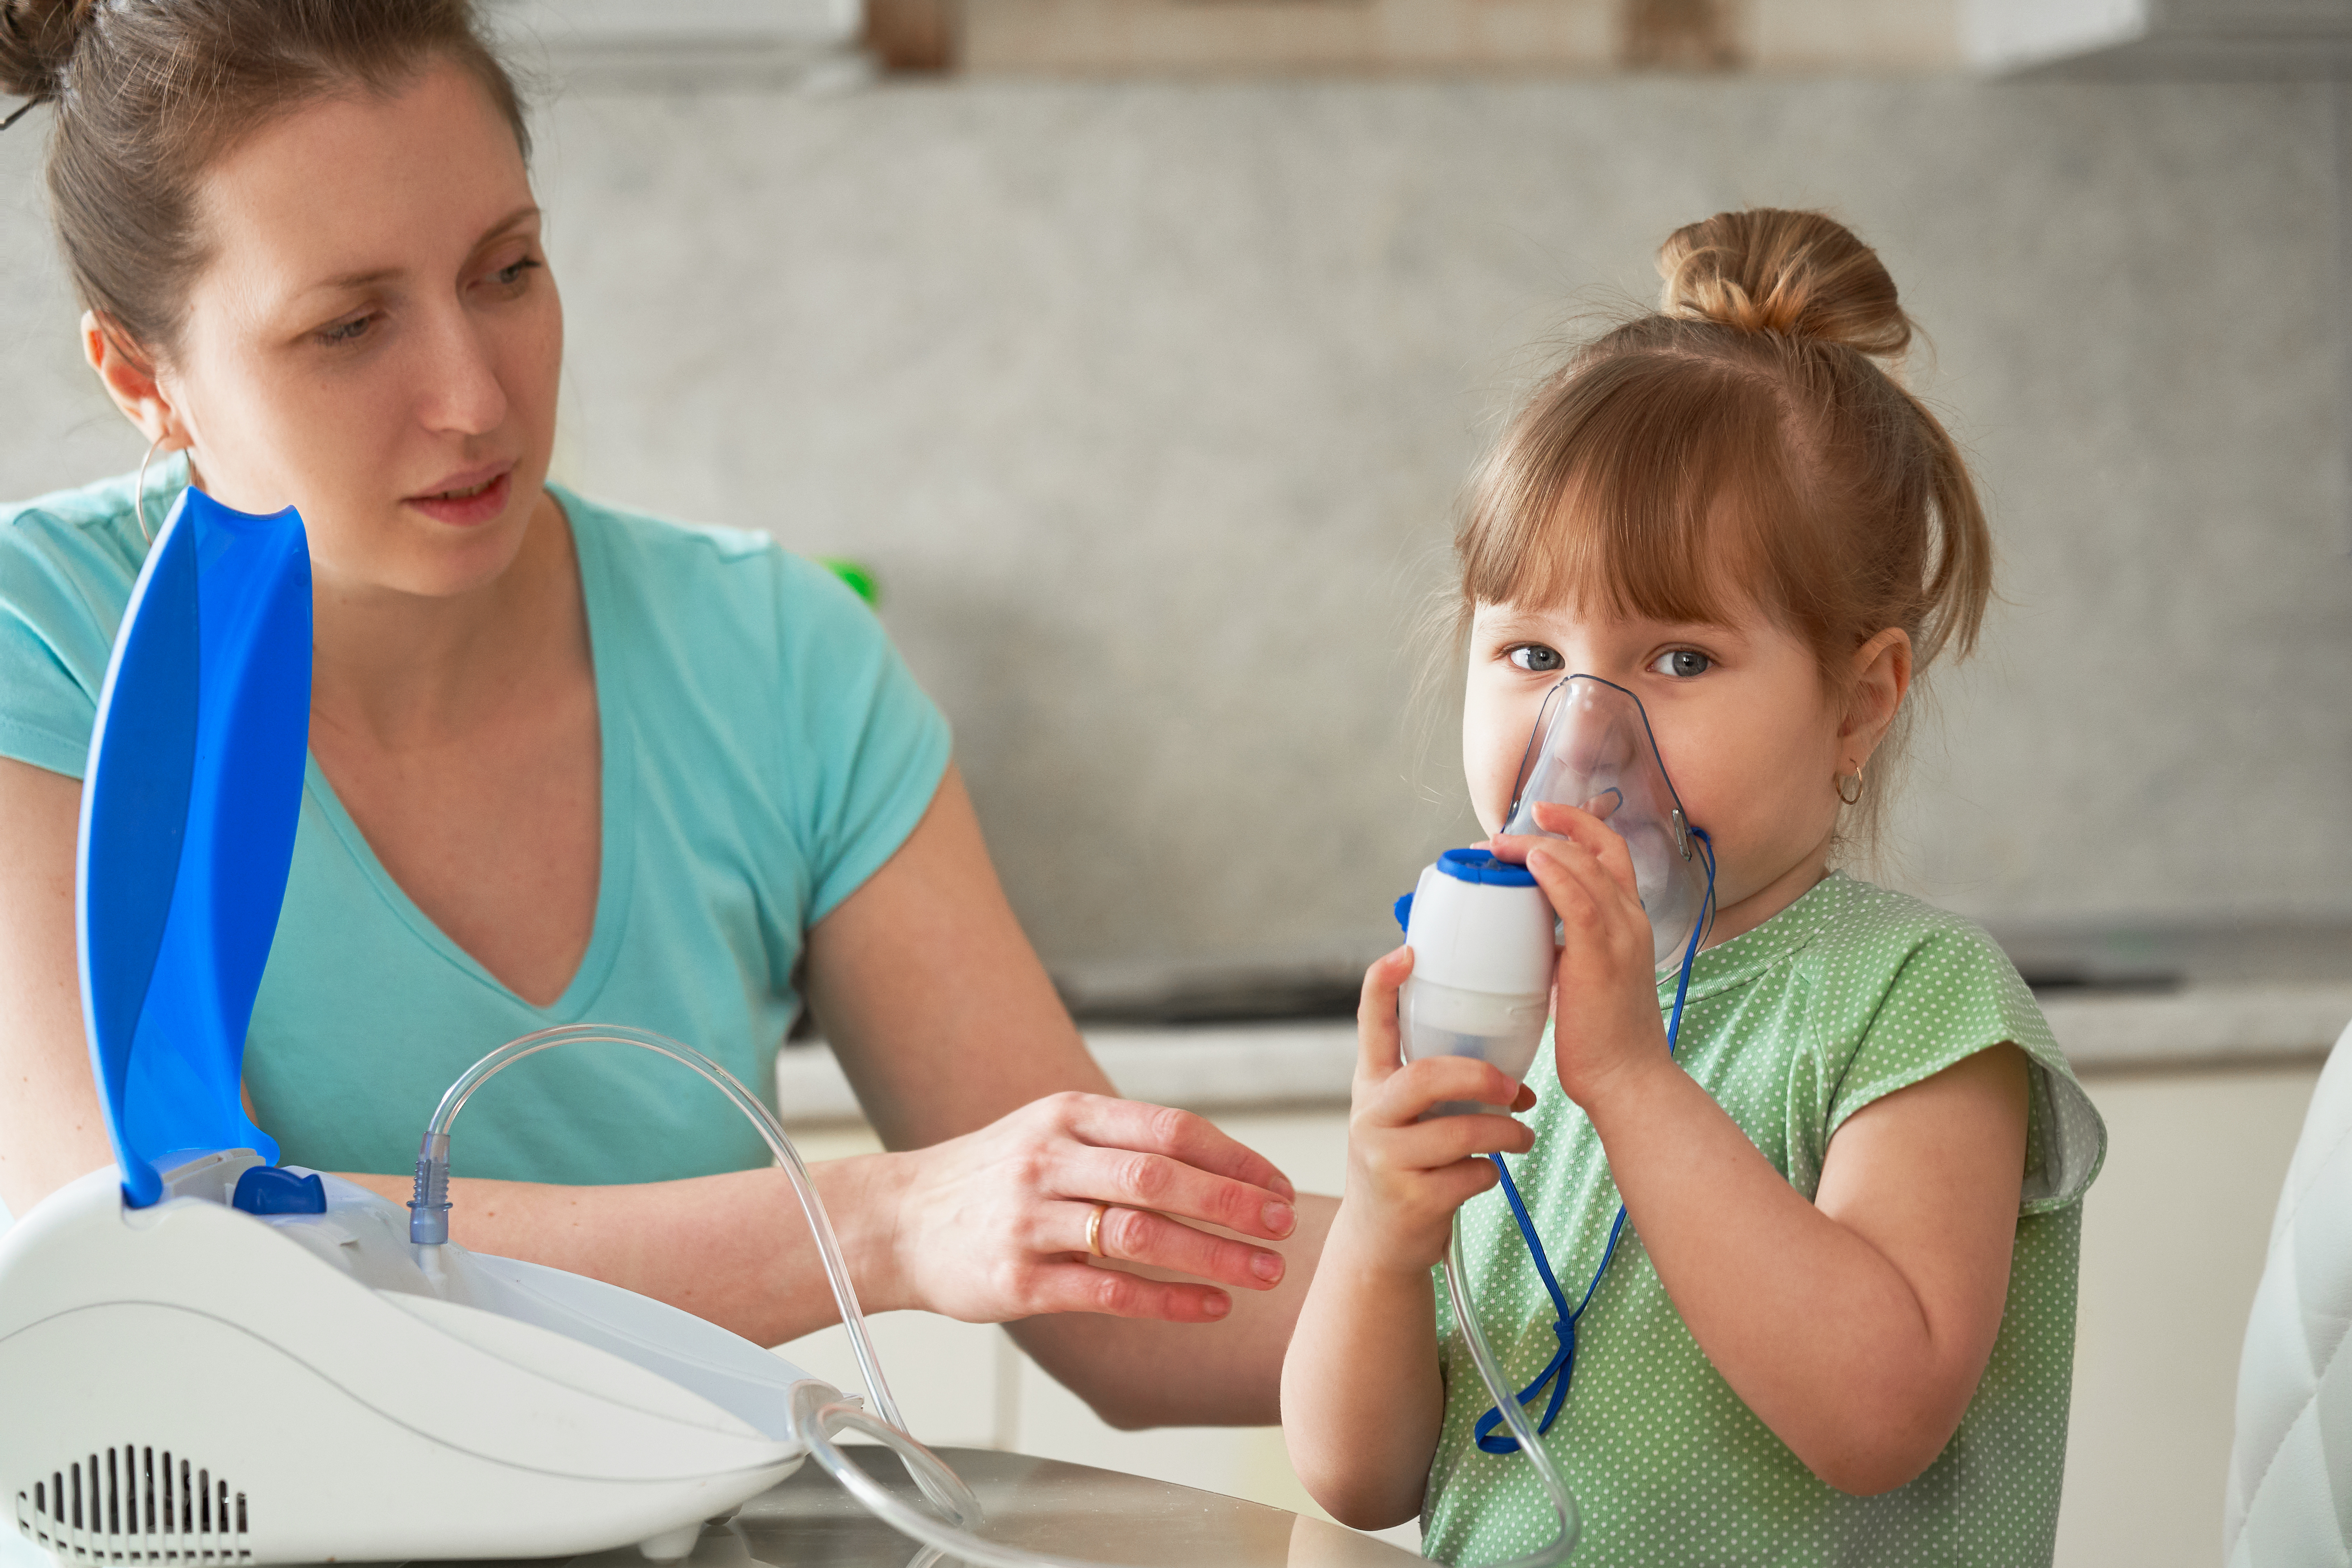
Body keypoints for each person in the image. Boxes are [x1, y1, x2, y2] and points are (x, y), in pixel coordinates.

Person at [0, 0, 1330, 1431]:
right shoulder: (52, 640)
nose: (471, 395)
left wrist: (1578, 1245)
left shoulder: (773, 657)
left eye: (507, 271)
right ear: (145, 379)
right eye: (349, 326)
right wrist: (875, 1225)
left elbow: (1117, 1289)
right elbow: (143, 1257)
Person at [1280, 209, 2107, 1564]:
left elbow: (1877, 1412)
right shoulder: (1502, 1001)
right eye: (1534, 654)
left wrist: (1632, 1082)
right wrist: (1380, 1232)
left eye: (1679, 661)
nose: (1584, 735)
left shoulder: (1917, 1003)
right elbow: (1358, 1476)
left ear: (1859, 701)